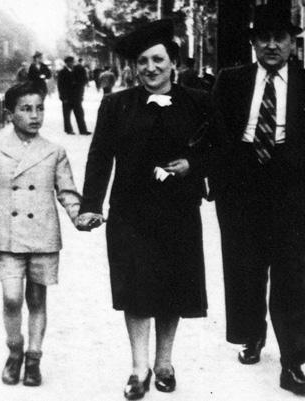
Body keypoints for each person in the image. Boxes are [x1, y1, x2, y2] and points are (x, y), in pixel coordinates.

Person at [75, 19, 214, 400]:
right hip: (130, 214)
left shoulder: (199, 102)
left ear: (174, 62)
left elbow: (219, 151)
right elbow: (99, 157)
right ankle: (139, 368)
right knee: (135, 288)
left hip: (178, 211)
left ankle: (165, 363)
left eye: (157, 59)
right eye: (142, 61)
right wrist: (90, 205)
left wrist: (193, 165)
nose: (150, 68)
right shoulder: (116, 105)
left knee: (173, 286)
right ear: (134, 67)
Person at [210, 4, 305, 395]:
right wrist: (218, 186)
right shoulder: (230, 81)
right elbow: (216, 134)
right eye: (263, 37)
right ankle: (252, 335)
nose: (271, 45)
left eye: (279, 38)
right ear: (252, 42)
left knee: (291, 274)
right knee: (245, 270)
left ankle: (293, 362)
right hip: (241, 187)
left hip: (291, 187)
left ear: (292, 44)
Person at [0, 82, 81, 387]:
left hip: (43, 235)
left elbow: (68, 191)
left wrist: (80, 214)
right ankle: (14, 350)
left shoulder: (54, 151)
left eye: (39, 108)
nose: (34, 115)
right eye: (25, 109)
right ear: (10, 114)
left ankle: (34, 359)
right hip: (8, 235)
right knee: (11, 298)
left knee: (37, 298)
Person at [56, 56, 91, 135]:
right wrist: (62, 97)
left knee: (80, 114)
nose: (71, 64)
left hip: (76, 97)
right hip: (67, 97)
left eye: (72, 62)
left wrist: (81, 94)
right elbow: (60, 86)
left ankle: (83, 130)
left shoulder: (77, 70)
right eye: (69, 62)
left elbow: (83, 81)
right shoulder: (62, 72)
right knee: (67, 115)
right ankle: (68, 129)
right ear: (66, 63)